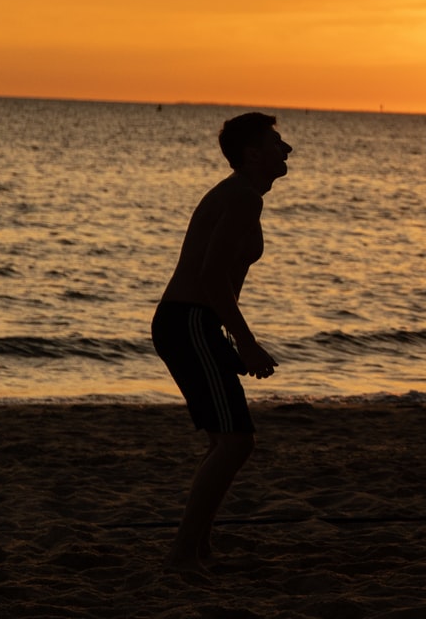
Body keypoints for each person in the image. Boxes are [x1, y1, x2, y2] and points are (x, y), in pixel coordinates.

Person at [151, 111, 288, 571]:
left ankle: (197, 547)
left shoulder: (245, 196)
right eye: (276, 142)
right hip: (188, 321)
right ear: (253, 154)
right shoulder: (243, 198)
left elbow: (225, 277)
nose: (286, 149)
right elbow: (211, 277)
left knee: (225, 439)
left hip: (195, 323)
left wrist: (227, 337)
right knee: (235, 442)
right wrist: (245, 343)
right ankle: (183, 552)